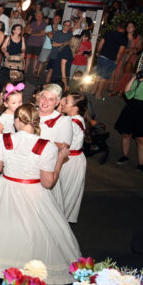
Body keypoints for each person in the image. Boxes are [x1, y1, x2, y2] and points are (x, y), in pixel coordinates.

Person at [0, 104, 79, 284]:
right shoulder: (46, 146)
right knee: (31, 234)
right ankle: (28, 273)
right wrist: (60, 159)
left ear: (17, 121)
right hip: (34, 194)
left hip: (6, 189)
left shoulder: (4, 140)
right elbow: (48, 182)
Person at [38, 84, 73, 209]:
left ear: (57, 102)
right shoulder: (29, 114)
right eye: (43, 97)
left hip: (47, 170)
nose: (45, 101)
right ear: (39, 97)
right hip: (26, 170)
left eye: (51, 99)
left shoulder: (63, 121)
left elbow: (62, 149)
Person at [114, 59, 143, 176]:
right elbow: (127, 92)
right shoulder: (140, 79)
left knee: (141, 139)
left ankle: (141, 165)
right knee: (126, 134)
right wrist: (134, 78)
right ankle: (125, 156)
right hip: (132, 108)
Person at [58, 92, 88, 222]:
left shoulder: (72, 123)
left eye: (67, 102)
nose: (63, 103)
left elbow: (61, 144)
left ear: (75, 108)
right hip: (70, 159)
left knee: (64, 193)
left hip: (70, 161)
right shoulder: (71, 119)